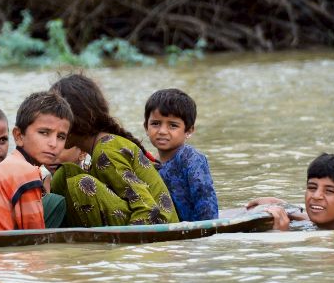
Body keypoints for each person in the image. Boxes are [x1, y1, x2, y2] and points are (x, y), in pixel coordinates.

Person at [49, 73, 180, 227]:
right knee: (64, 175)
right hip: (140, 219)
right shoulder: (101, 148)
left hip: (158, 226)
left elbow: (148, 210)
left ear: (75, 120)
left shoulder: (106, 151)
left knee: (81, 184)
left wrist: (124, 251)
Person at [0, 91, 72, 232]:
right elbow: (35, 237)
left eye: (61, 136)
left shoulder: (12, 164)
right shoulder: (25, 172)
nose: (53, 143)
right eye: (44, 133)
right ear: (19, 135)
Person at [143, 88, 218, 221]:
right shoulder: (149, 163)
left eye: (172, 125)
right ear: (146, 128)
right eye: (155, 124)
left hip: (194, 230)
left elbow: (206, 201)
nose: (162, 131)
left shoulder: (191, 158)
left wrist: (204, 233)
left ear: (188, 131)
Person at [246, 153, 334, 230]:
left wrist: (281, 236)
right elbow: (305, 218)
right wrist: (279, 205)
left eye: (329, 191)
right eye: (312, 188)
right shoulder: (326, 223)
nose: (316, 196)